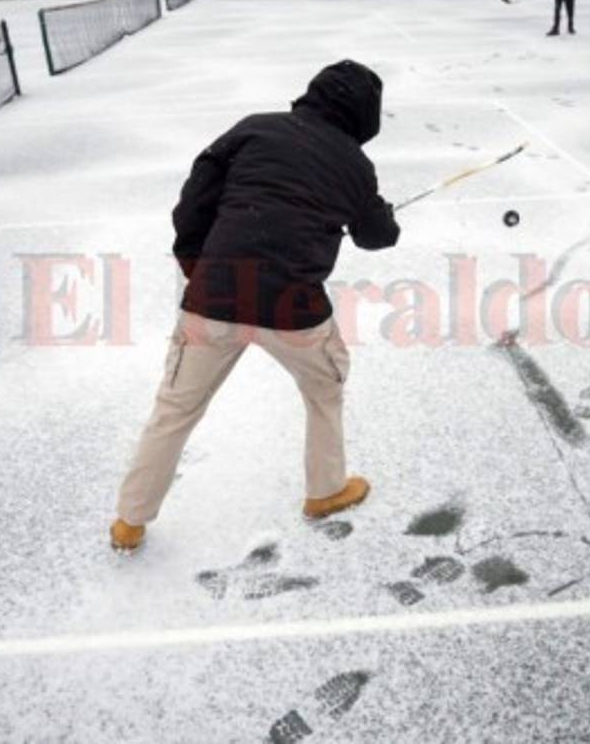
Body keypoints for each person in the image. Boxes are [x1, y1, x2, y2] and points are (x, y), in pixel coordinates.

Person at [111, 60, 401, 551]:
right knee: (325, 388)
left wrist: (198, 265)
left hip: (215, 296)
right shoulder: (354, 164)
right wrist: (383, 215)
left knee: (174, 408)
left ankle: (129, 522)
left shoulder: (253, 129)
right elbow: (377, 236)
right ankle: (326, 490)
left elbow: (193, 202)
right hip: (294, 309)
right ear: (365, 114)